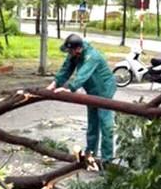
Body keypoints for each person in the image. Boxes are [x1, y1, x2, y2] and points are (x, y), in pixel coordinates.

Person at [46, 34, 117, 163]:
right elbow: (66, 69)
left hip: (105, 90)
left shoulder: (92, 56)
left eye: (71, 51)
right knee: (92, 123)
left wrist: (70, 88)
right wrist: (54, 84)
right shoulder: (75, 53)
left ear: (78, 49)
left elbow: (82, 74)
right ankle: (90, 155)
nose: (69, 54)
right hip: (92, 90)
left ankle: (107, 160)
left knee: (105, 124)